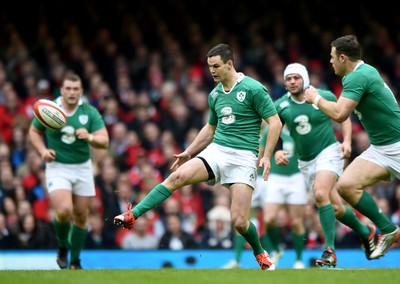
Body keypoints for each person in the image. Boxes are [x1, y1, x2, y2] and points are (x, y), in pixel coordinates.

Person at [114, 43, 282, 271]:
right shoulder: (215, 95)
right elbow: (211, 128)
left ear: (229, 64)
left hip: (244, 158)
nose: (211, 71)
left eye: (216, 66)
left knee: (239, 222)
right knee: (176, 177)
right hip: (218, 151)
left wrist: (267, 156)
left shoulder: (253, 89)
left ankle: (260, 252)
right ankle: (133, 215)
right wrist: (189, 151)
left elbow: (275, 122)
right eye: (209, 66)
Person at [304, 34, 400, 260]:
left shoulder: (358, 77)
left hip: (397, 144)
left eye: (332, 57)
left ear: (343, 57)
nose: (330, 61)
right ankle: (388, 230)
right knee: (346, 185)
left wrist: (315, 98)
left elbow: (339, 113)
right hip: (381, 148)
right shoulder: (361, 73)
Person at [274, 62, 376, 267]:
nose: (292, 82)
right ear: (285, 83)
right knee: (336, 208)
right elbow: (274, 129)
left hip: (329, 152)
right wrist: (276, 150)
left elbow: (343, 115)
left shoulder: (323, 96)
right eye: (289, 79)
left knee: (320, 194)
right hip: (305, 161)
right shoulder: (280, 105)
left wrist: (347, 140)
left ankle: (329, 250)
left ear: (305, 79)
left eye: (296, 77)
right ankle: (367, 232)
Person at [29, 73, 109, 269]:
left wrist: (89, 137)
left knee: (82, 216)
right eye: (68, 88)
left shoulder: (89, 112)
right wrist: (42, 150)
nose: (72, 92)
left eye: (76, 89)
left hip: (83, 167)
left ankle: (75, 261)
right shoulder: (50, 109)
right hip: (58, 166)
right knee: (64, 210)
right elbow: (34, 131)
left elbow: (104, 141)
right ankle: (63, 246)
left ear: (81, 91)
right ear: (62, 90)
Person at [222, 125, 308, 269]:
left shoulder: (292, 125)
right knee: (242, 218)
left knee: (276, 219)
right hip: (258, 177)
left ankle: (275, 253)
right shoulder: (254, 127)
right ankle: (237, 259)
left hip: (271, 177)